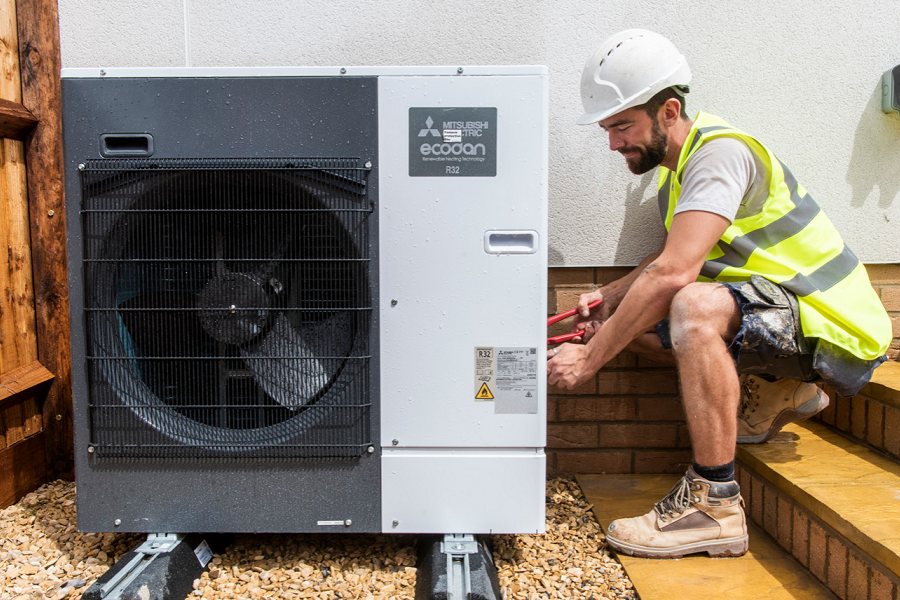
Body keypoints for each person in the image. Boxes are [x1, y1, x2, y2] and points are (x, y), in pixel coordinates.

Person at [546, 29, 892, 559]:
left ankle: (714, 505)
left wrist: (591, 358)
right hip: (790, 315)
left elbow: (674, 274)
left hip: (837, 326)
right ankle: (783, 390)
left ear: (667, 111)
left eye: (621, 125)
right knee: (628, 323)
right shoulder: (679, 174)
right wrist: (610, 298)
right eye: (607, 129)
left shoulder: (720, 155)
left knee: (690, 306)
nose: (613, 142)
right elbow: (670, 259)